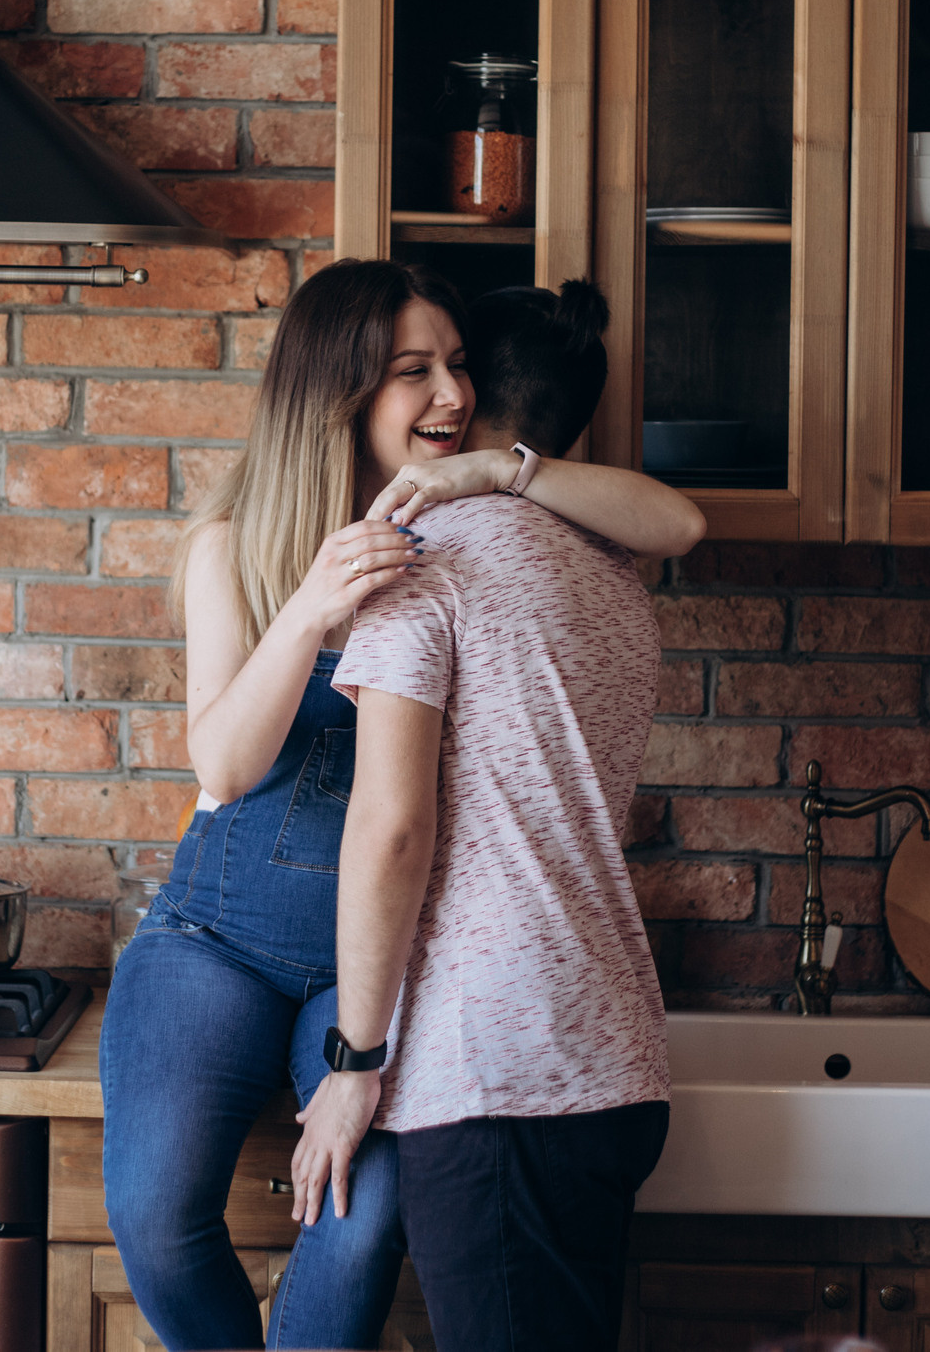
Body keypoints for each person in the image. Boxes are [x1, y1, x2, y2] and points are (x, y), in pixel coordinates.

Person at [101, 260, 702, 1351]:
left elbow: (672, 522)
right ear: (339, 394)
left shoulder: (452, 540)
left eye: (459, 366)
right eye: (413, 372)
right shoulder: (239, 544)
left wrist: (499, 471)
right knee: (151, 1217)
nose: (451, 396)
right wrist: (310, 610)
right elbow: (224, 770)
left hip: (370, 964)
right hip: (218, 935)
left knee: (362, 1223)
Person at [294, 279, 672, 1352]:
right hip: (609, 1060)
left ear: (465, 402)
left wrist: (353, 1063)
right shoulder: (613, 575)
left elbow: (393, 831)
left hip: (497, 1071)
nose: (433, 394)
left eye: (441, 370)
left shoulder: (428, 564)